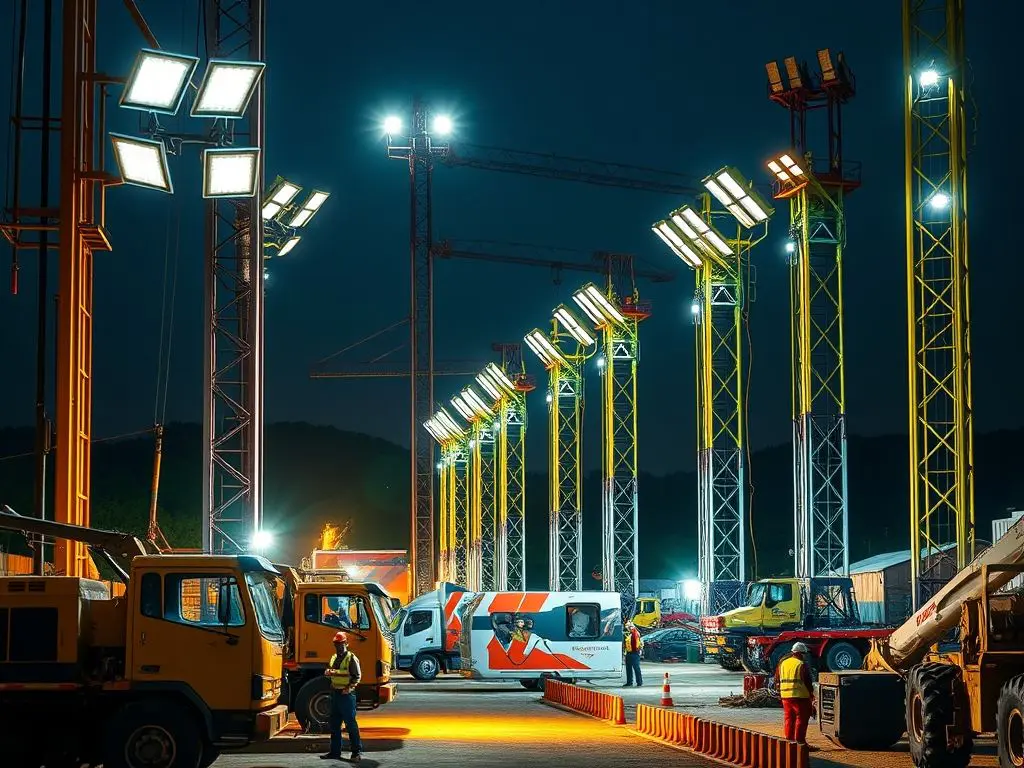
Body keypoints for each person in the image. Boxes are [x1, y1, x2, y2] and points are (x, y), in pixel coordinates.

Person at [321, 632, 362, 763]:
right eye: (336, 644)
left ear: (346, 643)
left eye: (340, 644)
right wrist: (328, 672)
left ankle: (356, 753)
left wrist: (348, 688)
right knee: (334, 725)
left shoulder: (351, 658)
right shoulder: (334, 657)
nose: (338, 646)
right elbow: (332, 671)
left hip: (346, 695)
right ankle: (335, 752)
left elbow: (357, 676)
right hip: (336, 694)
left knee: (350, 725)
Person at [777, 641, 815, 745]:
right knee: (802, 718)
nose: (804, 656)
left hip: (785, 696)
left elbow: (777, 679)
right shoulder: (801, 664)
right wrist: (811, 694)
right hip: (800, 696)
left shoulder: (783, 663)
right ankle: (800, 743)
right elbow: (807, 681)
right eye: (803, 654)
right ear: (799, 653)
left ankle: (789, 742)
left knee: (789, 719)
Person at [623, 620, 644, 687]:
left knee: (636, 668)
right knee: (628, 668)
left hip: (634, 653)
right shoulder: (629, 634)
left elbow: (637, 644)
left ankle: (639, 682)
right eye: (628, 627)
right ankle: (629, 682)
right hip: (629, 653)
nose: (628, 628)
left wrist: (638, 651)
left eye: (629, 627)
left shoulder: (635, 633)